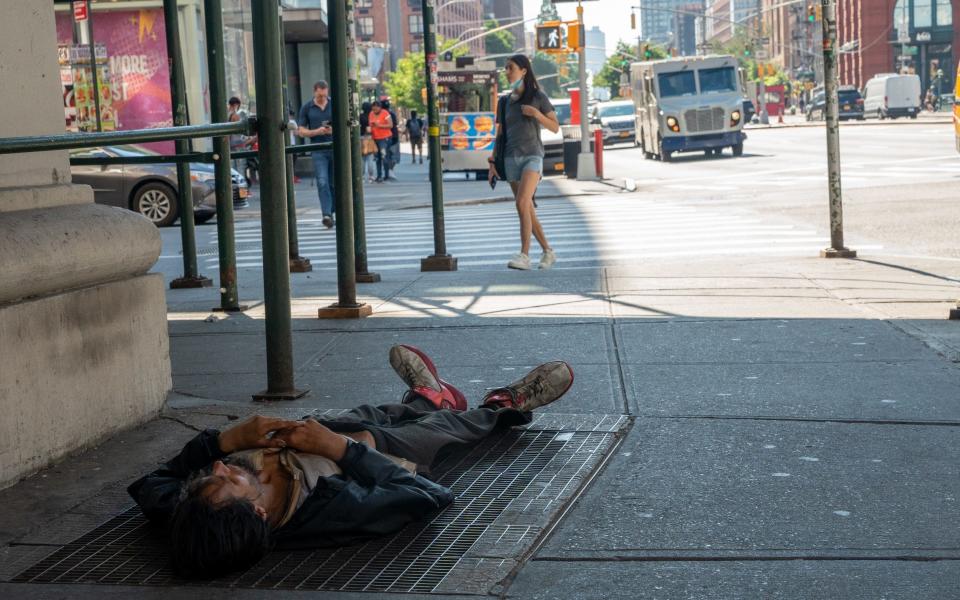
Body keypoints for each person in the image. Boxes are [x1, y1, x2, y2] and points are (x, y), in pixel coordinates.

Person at [128, 345, 574, 579]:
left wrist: (224, 439)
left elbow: (155, 482)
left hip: (316, 429)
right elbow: (431, 496)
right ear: (260, 512)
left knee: (375, 412)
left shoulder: (190, 514)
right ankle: (502, 406)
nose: (221, 468)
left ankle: (427, 397)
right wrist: (342, 450)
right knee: (435, 432)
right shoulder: (332, 514)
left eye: (214, 474)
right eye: (228, 481)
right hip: (366, 453)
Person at [488, 54, 560, 271]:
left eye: (510, 68)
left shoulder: (538, 97)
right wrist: (492, 161)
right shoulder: (504, 101)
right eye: (506, 68)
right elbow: (500, 134)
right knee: (527, 207)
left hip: (532, 156)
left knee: (521, 203)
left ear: (524, 71)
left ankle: (524, 255)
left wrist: (536, 114)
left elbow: (555, 127)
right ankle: (548, 251)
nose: (507, 72)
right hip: (510, 158)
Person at [298, 81, 335, 229]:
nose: (322, 99)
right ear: (314, 92)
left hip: (334, 148)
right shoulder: (307, 107)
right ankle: (326, 214)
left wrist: (333, 130)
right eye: (320, 96)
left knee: (333, 183)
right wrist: (317, 131)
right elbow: (301, 131)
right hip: (318, 149)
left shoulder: (334, 104)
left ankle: (331, 213)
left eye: (325, 96)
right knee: (322, 181)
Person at [368, 101, 394, 182]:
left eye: (376, 108)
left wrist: (379, 125)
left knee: (384, 157)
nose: (374, 110)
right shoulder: (371, 114)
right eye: (373, 108)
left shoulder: (385, 113)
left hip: (385, 138)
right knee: (377, 158)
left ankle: (386, 175)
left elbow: (391, 125)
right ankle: (379, 176)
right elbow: (370, 124)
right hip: (375, 138)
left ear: (380, 107)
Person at [359, 101, 377, 183]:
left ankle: (362, 176)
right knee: (370, 158)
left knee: (362, 159)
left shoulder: (360, 116)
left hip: (361, 138)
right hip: (369, 138)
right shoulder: (371, 117)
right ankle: (371, 176)